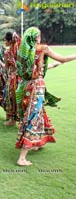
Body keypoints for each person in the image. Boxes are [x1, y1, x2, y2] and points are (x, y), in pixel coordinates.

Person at [15, 27, 76, 166]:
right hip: (37, 87)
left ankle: (37, 143)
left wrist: (53, 65)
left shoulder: (24, 52)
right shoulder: (43, 48)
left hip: (26, 87)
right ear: (37, 37)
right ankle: (22, 157)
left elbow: (33, 68)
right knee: (33, 117)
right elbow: (64, 58)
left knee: (36, 113)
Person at [2, 32, 21, 126]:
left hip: (13, 78)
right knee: (20, 99)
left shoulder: (8, 52)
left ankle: (12, 120)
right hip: (22, 79)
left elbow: (6, 67)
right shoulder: (21, 51)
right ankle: (21, 121)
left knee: (11, 98)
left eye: (5, 40)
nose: (4, 42)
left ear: (10, 41)